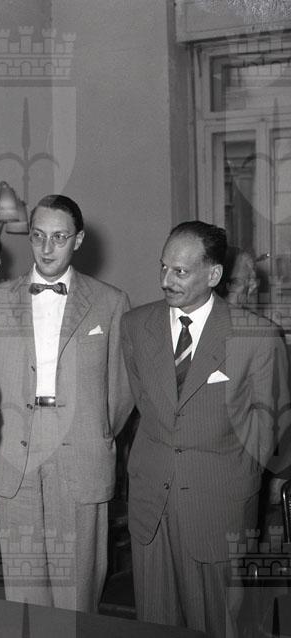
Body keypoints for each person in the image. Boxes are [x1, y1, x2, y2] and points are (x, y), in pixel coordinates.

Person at [120, 221, 289, 637]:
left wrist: (234, 475)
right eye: (163, 267)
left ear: (213, 275)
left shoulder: (258, 336)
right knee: (155, 623)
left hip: (218, 506)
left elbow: (271, 426)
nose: (166, 280)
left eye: (180, 271)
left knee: (219, 624)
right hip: (151, 504)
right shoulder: (135, 325)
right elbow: (145, 402)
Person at [0, 194, 133, 612]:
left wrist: (92, 431)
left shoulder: (111, 302)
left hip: (81, 452)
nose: (47, 248)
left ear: (78, 240)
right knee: (24, 593)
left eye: (60, 238)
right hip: (15, 453)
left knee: (77, 593)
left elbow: (121, 392)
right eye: (38, 236)